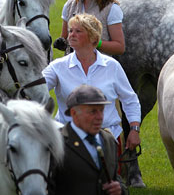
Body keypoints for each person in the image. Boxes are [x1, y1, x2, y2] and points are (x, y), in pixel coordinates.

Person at [40, 84, 128, 195]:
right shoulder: (55, 143)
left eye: (101, 111)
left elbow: (115, 178)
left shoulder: (109, 140)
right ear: (74, 114)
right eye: (92, 112)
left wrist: (120, 190)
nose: (99, 117)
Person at [43, 13, 141, 151]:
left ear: (93, 38)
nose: (71, 34)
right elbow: (35, 90)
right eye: (70, 30)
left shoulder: (112, 66)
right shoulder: (57, 67)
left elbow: (130, 100)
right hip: (67, 140)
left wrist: (134, 129)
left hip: (108, 139)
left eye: (78, 31)